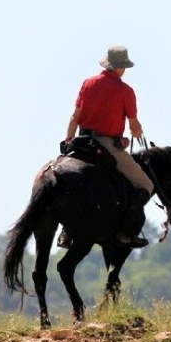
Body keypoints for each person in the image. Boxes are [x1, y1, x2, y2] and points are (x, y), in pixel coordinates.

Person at [61, 45, 155, 248]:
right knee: (146, 184)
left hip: (81, 141)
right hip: (106, 144)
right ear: (121, 67)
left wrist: (68, 141)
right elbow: (134, 124)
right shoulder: (125, 90)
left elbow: (74, 117)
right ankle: (126, 232)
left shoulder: (87, 83)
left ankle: (66, 231)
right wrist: (137, 133)